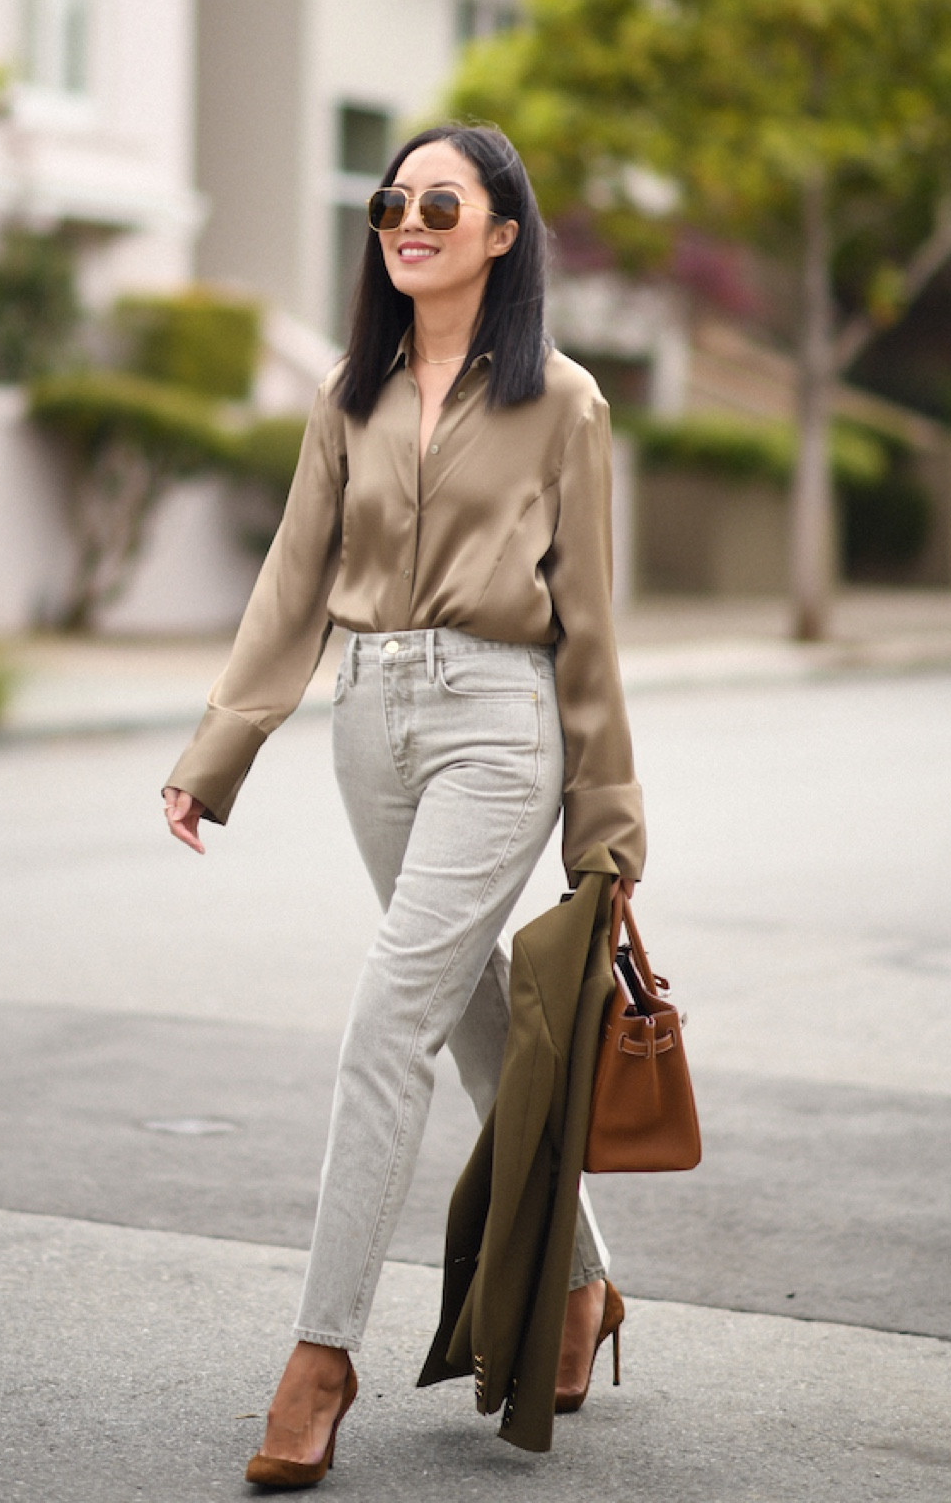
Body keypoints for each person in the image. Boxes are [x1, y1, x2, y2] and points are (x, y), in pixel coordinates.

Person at [163, 122, 645, 1490]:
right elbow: (289, 578)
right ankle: (581, 1287)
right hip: (366, 720)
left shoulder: (563, 401)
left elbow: (591, 627)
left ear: (502, 234)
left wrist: (604, 819)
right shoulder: (348, 393)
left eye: (441, 201)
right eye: (391, 201)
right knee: (467, 1008)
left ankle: (321, 1355)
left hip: (500, 722)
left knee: (388, 1021)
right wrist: (220, 747)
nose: (407, 219)